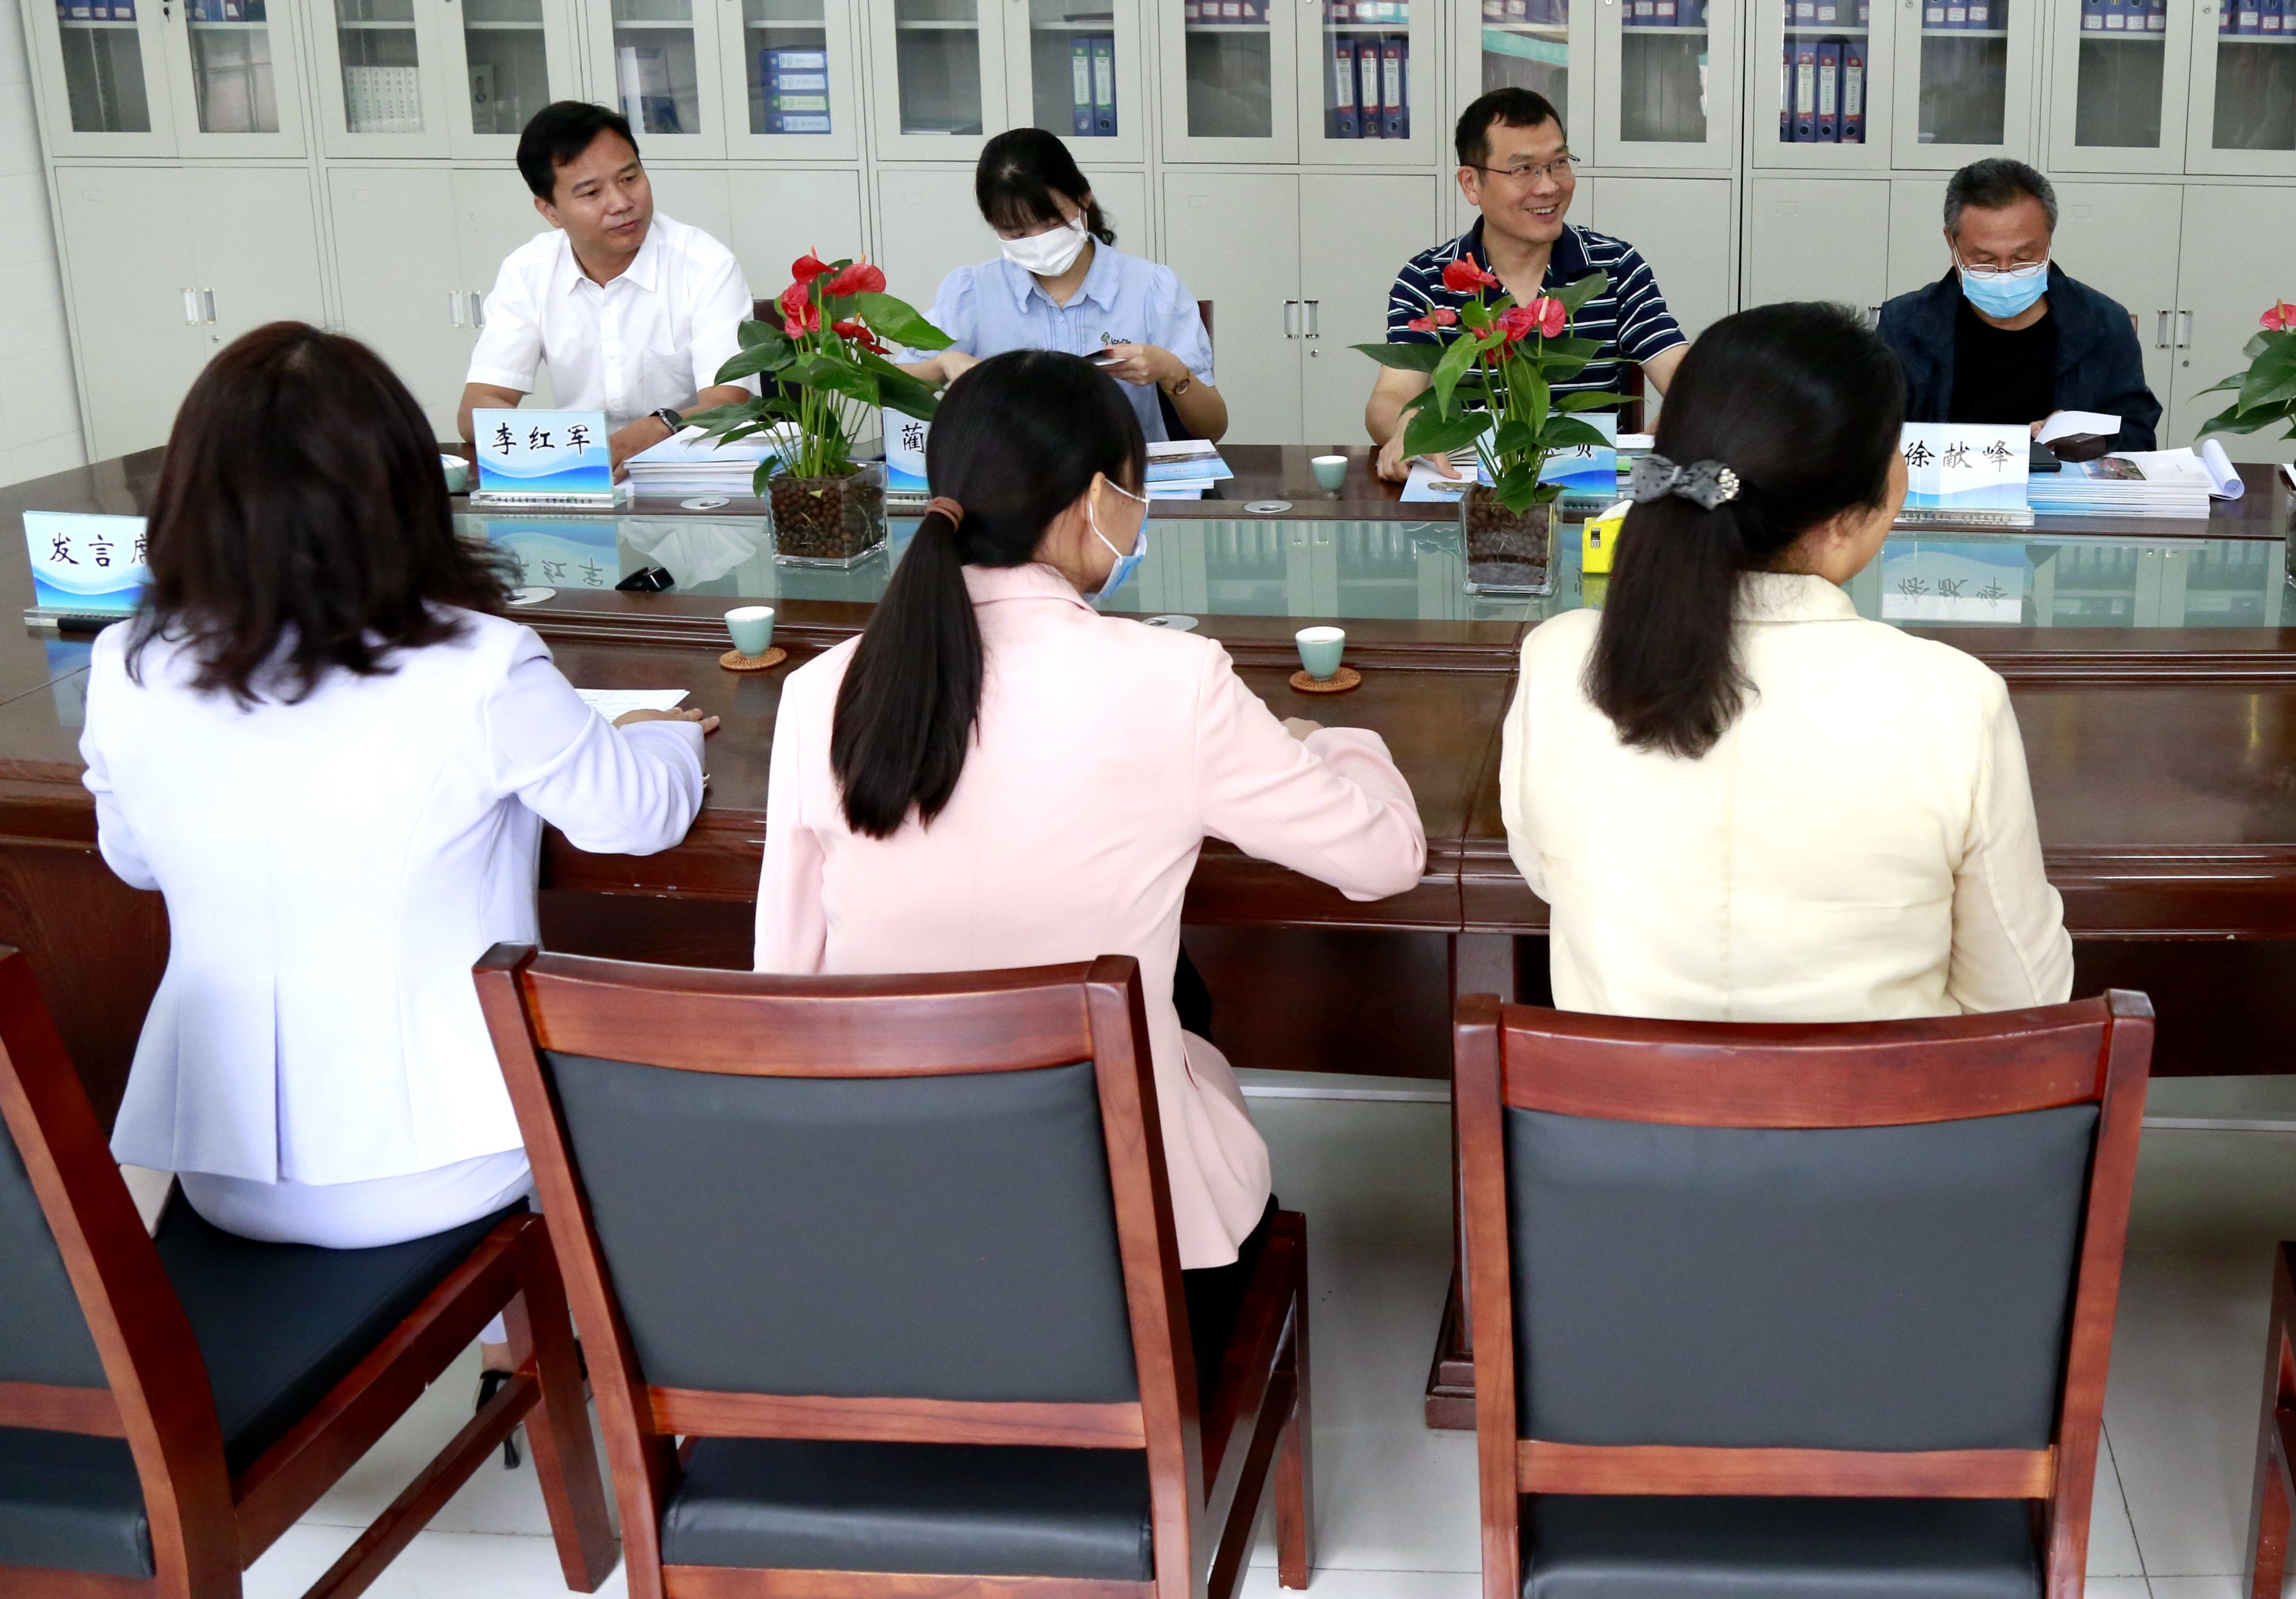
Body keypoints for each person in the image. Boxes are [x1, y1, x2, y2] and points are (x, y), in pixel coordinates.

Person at [754, 349, 1427, 1295]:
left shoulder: (824, 689)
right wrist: (1339, 742)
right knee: (1183, 1031)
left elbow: (787, 983)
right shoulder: (1171, 679)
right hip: (1136, 1239)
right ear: (1097, 500)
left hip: (893, 1222)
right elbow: (1386, 859)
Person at [85, 323, 713, 1249]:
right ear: (401, 490)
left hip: (218, 1167)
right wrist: (665, 741)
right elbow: (637, 818)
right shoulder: (478, 662)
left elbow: (132, 862)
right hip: (448, 1159)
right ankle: (529, 1349)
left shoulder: (126, 661)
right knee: (659, 1087)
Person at [1498, 302, 2073, 1022]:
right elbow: (2021, 996)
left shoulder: (1560, 661)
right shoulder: (1953, 699)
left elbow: (1551, 877)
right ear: (1842, 518)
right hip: (1881, 1124)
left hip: (1612, 1128)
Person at [1367, 89, 1689, 481]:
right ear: (1471, 183)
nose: (1549, 187)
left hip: (1591, 500)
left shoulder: (1614, 268)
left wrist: (1677, 418)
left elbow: (1684, 373)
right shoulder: (1429, 278)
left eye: (1559, 163)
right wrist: (1409, 427)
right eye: (1524, 170)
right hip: (1479, 494)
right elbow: (1389, 398)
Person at [460, 101, 753, 472]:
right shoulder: (527, 271)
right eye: (591, 193)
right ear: (549, 211)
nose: (622, 203)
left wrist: (653, 429)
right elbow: (476, 408)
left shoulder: (707, 266)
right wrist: (568, 449)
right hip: (580, 475)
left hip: (690, 473)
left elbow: (729, 402)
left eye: (630, 179)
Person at [916, 128, 1226, 441]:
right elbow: (892, 384)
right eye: (1017, 233)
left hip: (1120, 478)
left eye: (1053, 223)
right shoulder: (973, 291)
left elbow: (1213, 429)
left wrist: (1172, 371)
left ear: (1083, 198)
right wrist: (944, 363)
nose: (1039, 242)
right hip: (1009, 480)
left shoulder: (1151, 288)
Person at [1875, 159, 2163, 450]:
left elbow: (2139, 436)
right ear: (1952, 244)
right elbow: (1870, 435)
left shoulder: (2103, 324)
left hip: (2059, 492)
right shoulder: (1905, 325)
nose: (2005, 272)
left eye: (2024, 257)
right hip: (1944, 492)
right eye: (1985, 260)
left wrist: (2085, 437)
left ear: (2049, 240)